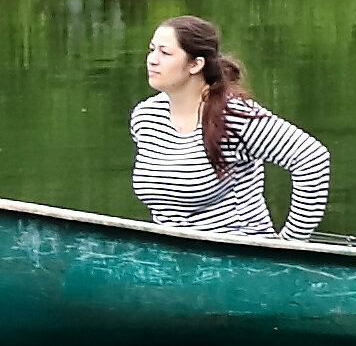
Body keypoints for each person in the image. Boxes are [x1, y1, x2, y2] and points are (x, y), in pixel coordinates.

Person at [128, 14, 329, 241]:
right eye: (151, 50)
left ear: (195, 64)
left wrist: (291, 244)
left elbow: (312, 159)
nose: (152, 60)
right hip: (171, 254)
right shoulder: (145, 117)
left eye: (165, 53)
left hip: (241, 253)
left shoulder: (233, 116)